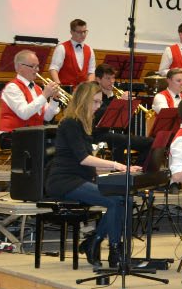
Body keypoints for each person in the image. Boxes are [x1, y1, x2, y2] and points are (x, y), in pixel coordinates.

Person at [45, 82, 141, 269]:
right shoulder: (70, 123)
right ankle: (113, 250)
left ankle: (94, 242)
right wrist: (117, 165)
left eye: (100, 102)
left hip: (80, 179)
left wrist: (120, 171)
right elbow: (83, 159)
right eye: (95, 102)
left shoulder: (83, 125)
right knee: (115, 200)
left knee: (126, 199)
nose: (98, 106)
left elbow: (88, 165)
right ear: (83, 101)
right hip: (64, 181)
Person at [0, 50, 61, 148]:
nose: (37, 70)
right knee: (50, 144)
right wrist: (44, 95)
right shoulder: (12, 88)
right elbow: (24, 114)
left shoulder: (38, 89)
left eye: (38, 66)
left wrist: (54, 100)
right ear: (20, 67)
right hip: (10, 135)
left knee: (59, 142)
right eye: (33, 66)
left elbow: (47, 117)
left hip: (32, 134)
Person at [91, 63, 152, 164]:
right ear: (98, 79)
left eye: (113, 78)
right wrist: (119, 103)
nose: (112, 81)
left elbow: (124, 122)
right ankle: (123, 169)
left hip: (115, 134)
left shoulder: (114, 96)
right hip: (97, 134)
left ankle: (136, 169)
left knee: (150, 142)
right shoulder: (93, 95)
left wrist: (129, 107)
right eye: (108, 78)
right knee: (120, 140)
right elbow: (96, 116)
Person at [48, 18, 95, 87]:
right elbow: (54, 68)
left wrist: (89, 88)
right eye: (79, 32)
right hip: (66, 88)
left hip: (82, 91)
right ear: (71, 32)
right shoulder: (62, 48)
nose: (83, 34)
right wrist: (58, 85)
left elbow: (91, 72)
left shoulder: (90, 50)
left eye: (84, 31)